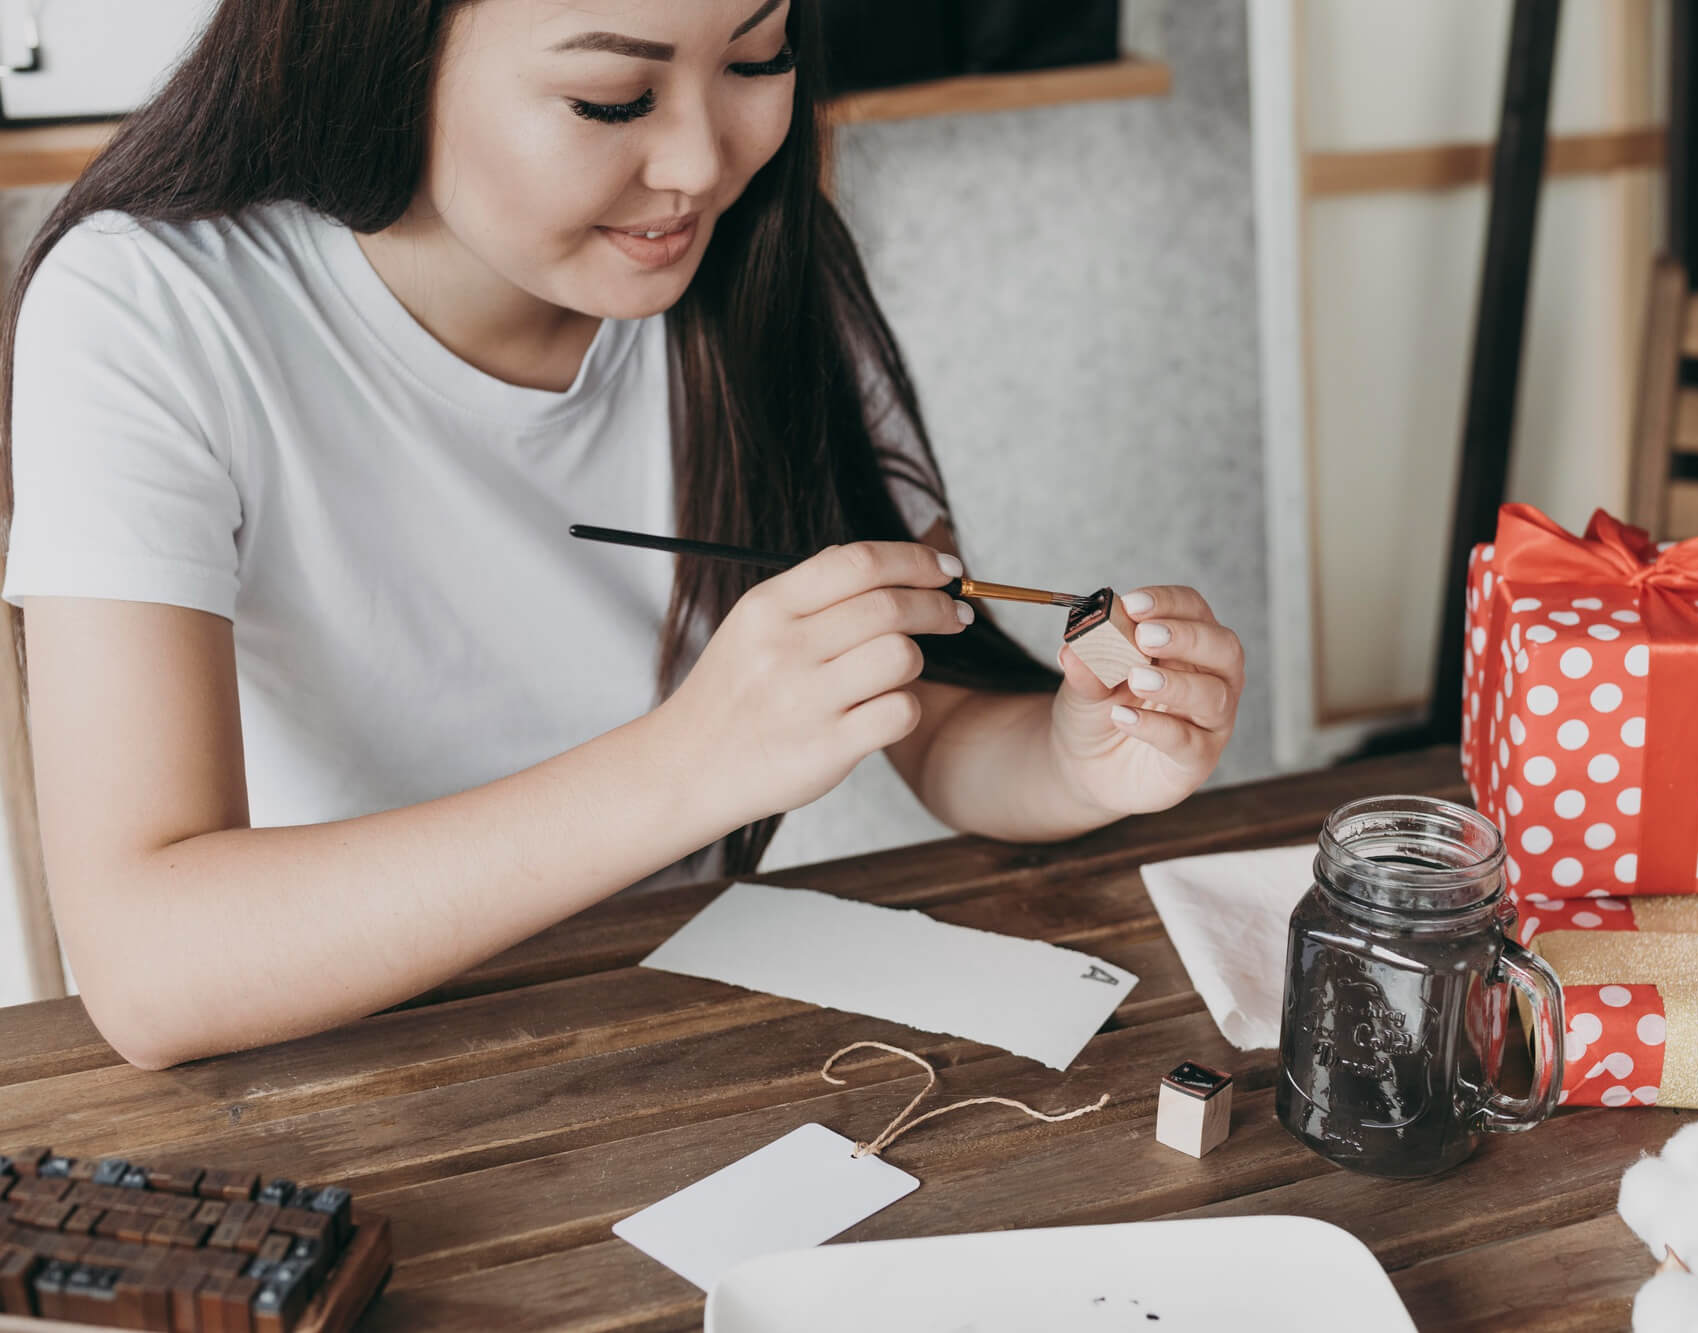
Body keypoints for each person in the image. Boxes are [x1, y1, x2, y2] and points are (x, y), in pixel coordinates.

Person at [0, 0, 1244, 1070]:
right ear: (378, 50)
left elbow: (932, 709)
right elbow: (150, 967)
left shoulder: (763, 270)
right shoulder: (154, 309)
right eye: (609, 97)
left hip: (673, 1039)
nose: (701, 160)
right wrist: (690, 764)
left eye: (757, 57)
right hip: (332, 1077)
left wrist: (1075, 758)